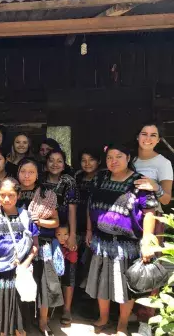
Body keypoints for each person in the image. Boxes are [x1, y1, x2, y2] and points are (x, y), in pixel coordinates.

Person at [85, 144, 158, 336]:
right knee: (102, 283)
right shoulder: (100, 178)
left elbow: (149, 211)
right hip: (101, 241)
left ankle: (122, 324)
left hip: (126, 244)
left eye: (118, 156)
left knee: (126, 288)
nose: (113, 161)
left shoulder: (138, 182)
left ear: (128, 158)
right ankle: (103, 318)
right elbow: (90, 204)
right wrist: (89, 230)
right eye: (109, 157)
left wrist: (148, 239)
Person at [0, 177, 39, 336]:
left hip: (18, 274)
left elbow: (35, 246)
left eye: (11, 195)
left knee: (19, 324)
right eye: (2, 195)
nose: (6, 199)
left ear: (18, 195)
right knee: (0, 322)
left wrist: (24, 264)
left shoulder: (26, 217)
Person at [132, 122, 173, 335]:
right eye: (144, 133)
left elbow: (166, 198)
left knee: (149, 267)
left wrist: (155, 186)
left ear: (158, 140)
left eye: (153, 135)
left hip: (153, 220)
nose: (148, 138)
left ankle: (146, 322)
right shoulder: (130, 159)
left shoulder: (163, 163)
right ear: (137, 136)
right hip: (129, 219)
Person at [17, 158, 61, 335]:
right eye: (23, 171)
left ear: (37, 175)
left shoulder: (45, 194)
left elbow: (56, 222)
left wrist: (40, 221)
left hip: (42, 245)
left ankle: (43, 321)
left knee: (43, 284)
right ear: (18, 173)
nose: (27, 176)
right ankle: (23, 320)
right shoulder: (13, 192)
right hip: (18, 247)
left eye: (31, 172)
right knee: (22, 283)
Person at [43, 149, 79, 325]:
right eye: (51, 160)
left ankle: (67, 309)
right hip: (46, 232)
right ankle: (47, 309)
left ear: (64, 164)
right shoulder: (40, 180)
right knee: (49, 271)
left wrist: (72, 235)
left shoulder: (68, 181)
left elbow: (72, 209)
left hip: (64, 232)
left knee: (68, 270)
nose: (55, 164)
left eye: (59, 161)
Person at [74, 149, 101, 292]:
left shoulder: (103, 177)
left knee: (91, 259)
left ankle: (90, 294)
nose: (87, 163)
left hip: (95, 225)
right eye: (84, 160)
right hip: (78, 222)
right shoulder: (77, 177)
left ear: (99, 161)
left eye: (91, 160)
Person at [54, 224, 78, 327]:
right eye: (59, 234)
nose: (62, 237)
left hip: (67, 267)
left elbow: (73, 259)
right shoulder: (53, 244)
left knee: (69, 279)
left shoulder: (70, 246)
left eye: (65, 234)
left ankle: (66, 309)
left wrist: (68, 250)